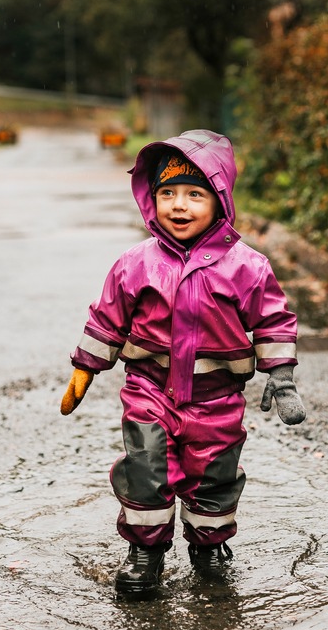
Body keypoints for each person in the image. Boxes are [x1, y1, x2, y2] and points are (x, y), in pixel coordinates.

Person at [60, 129, 305, 598]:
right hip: (149, 390)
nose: (179, 205)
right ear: (152, 201)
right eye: (167, 193)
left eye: (195, 194)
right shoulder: (135, 264)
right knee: (145, 468)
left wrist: (283, 375)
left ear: (220, 200)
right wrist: (85, 367)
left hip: (217, 398)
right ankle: (145, 553)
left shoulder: (247, 267)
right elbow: (107, 317)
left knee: (213, 474)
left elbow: (274, 321)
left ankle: (208, 546)